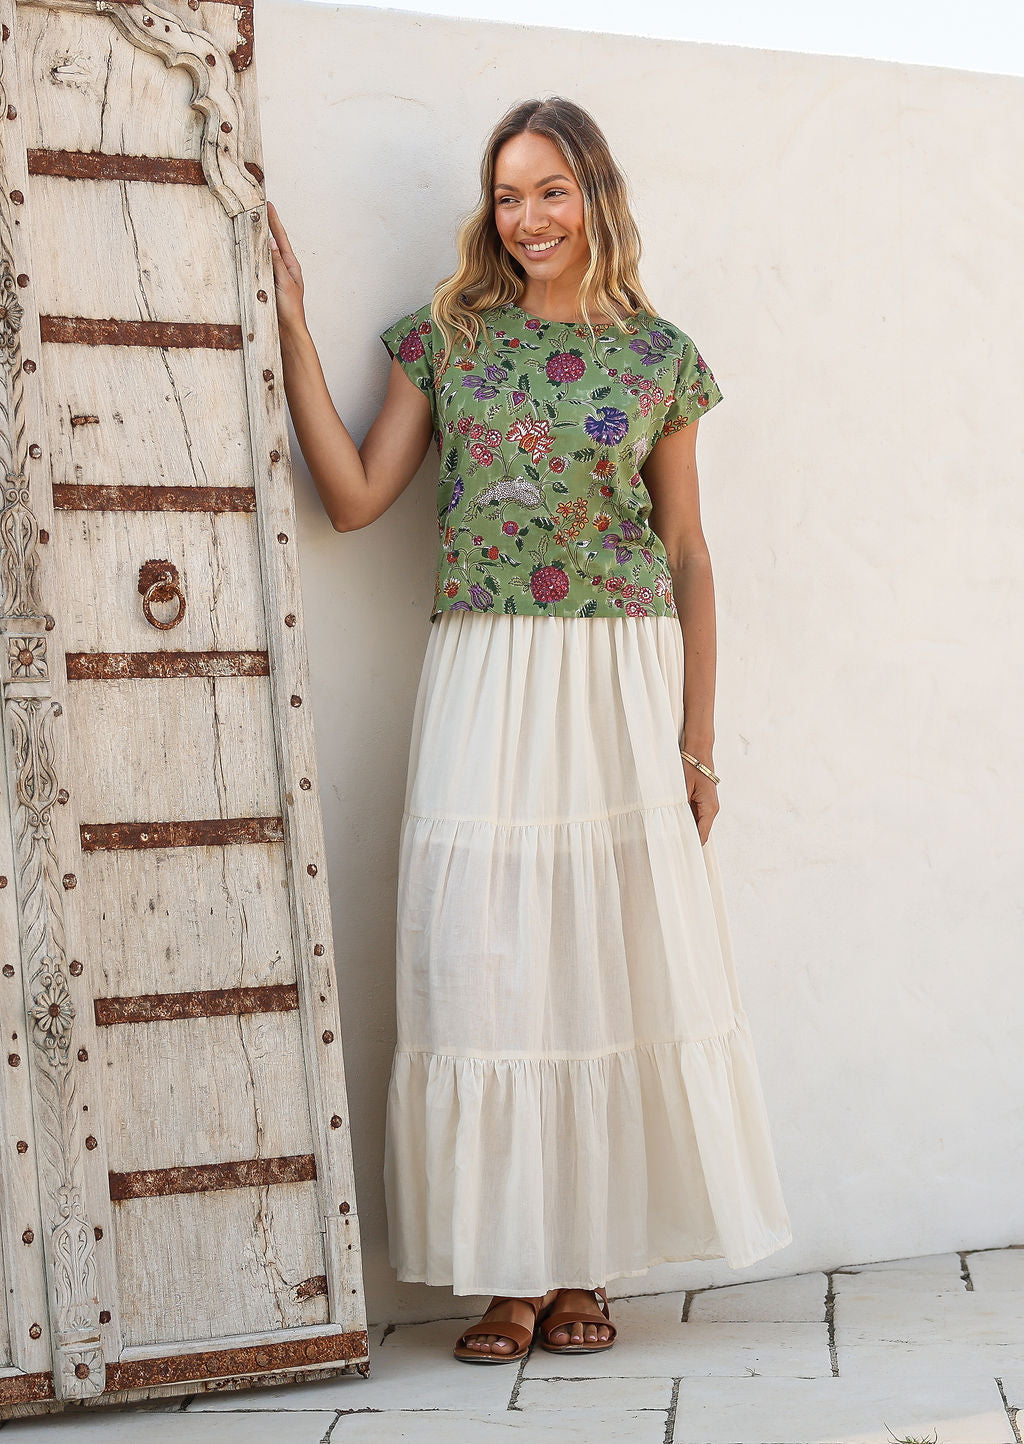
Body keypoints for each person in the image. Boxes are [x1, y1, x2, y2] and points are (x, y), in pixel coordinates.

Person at [268, 94, 791, 1365]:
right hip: (485, 679)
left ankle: (577, 1271)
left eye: (550, 190)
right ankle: (502, 1276)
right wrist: (285, 322)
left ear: (595, 197)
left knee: (600, 962)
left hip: (618, 684)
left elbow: (687, 555)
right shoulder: (446, 338)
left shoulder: (660, 355)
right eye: (508, 194)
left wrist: (697, 743)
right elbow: (351, 500)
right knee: (487, 966)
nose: (527, 217)